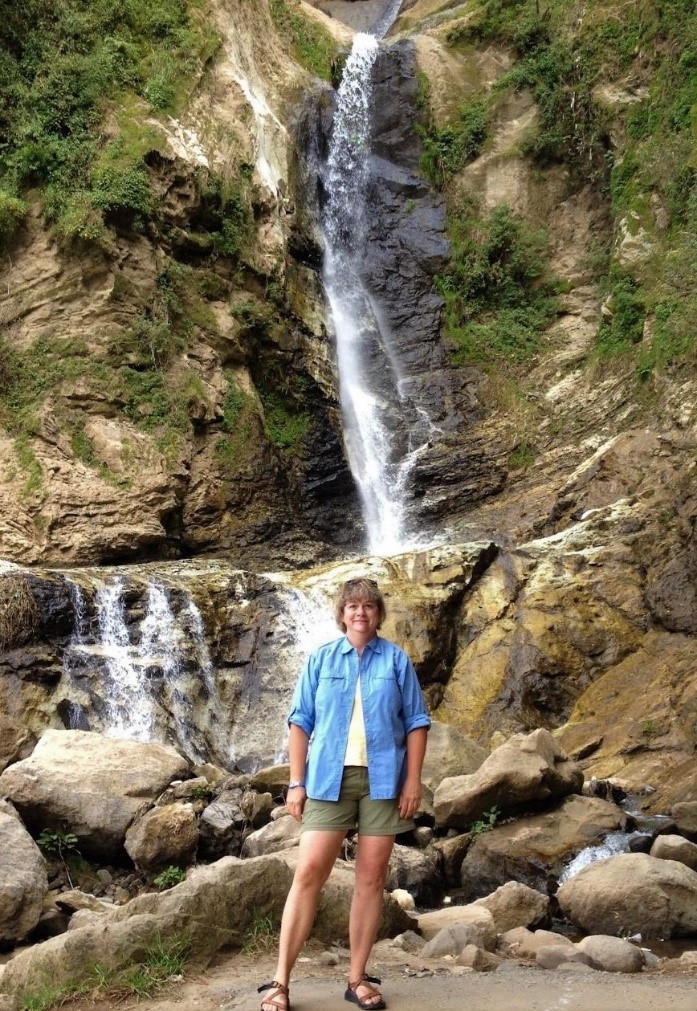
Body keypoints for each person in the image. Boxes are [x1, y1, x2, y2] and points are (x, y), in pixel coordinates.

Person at [258, 576, 430, 1011]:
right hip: (327, 781)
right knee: (309, 872)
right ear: (341, 613)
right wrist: (296, 783)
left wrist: (412, 781)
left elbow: (416, 721)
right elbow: (300, 722)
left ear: (378, 614)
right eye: (352, 606)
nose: (360, 612)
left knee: (370, 880)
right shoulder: (321, 659)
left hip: (383, 781)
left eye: (368, 606)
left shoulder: (395, 661)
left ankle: (357, 979)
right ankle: (280, 981)